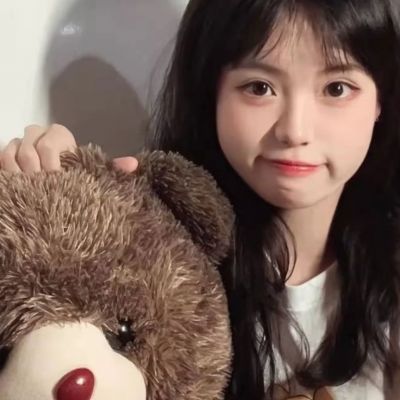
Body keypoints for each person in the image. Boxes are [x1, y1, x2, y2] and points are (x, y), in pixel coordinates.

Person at [2, 1, 400, 398]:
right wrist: (48, 202)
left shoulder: (389, 265)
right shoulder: (153, 256)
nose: (295, 130)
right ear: (211, 94)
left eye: (336, 88)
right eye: (259, 87)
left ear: (380, 99)